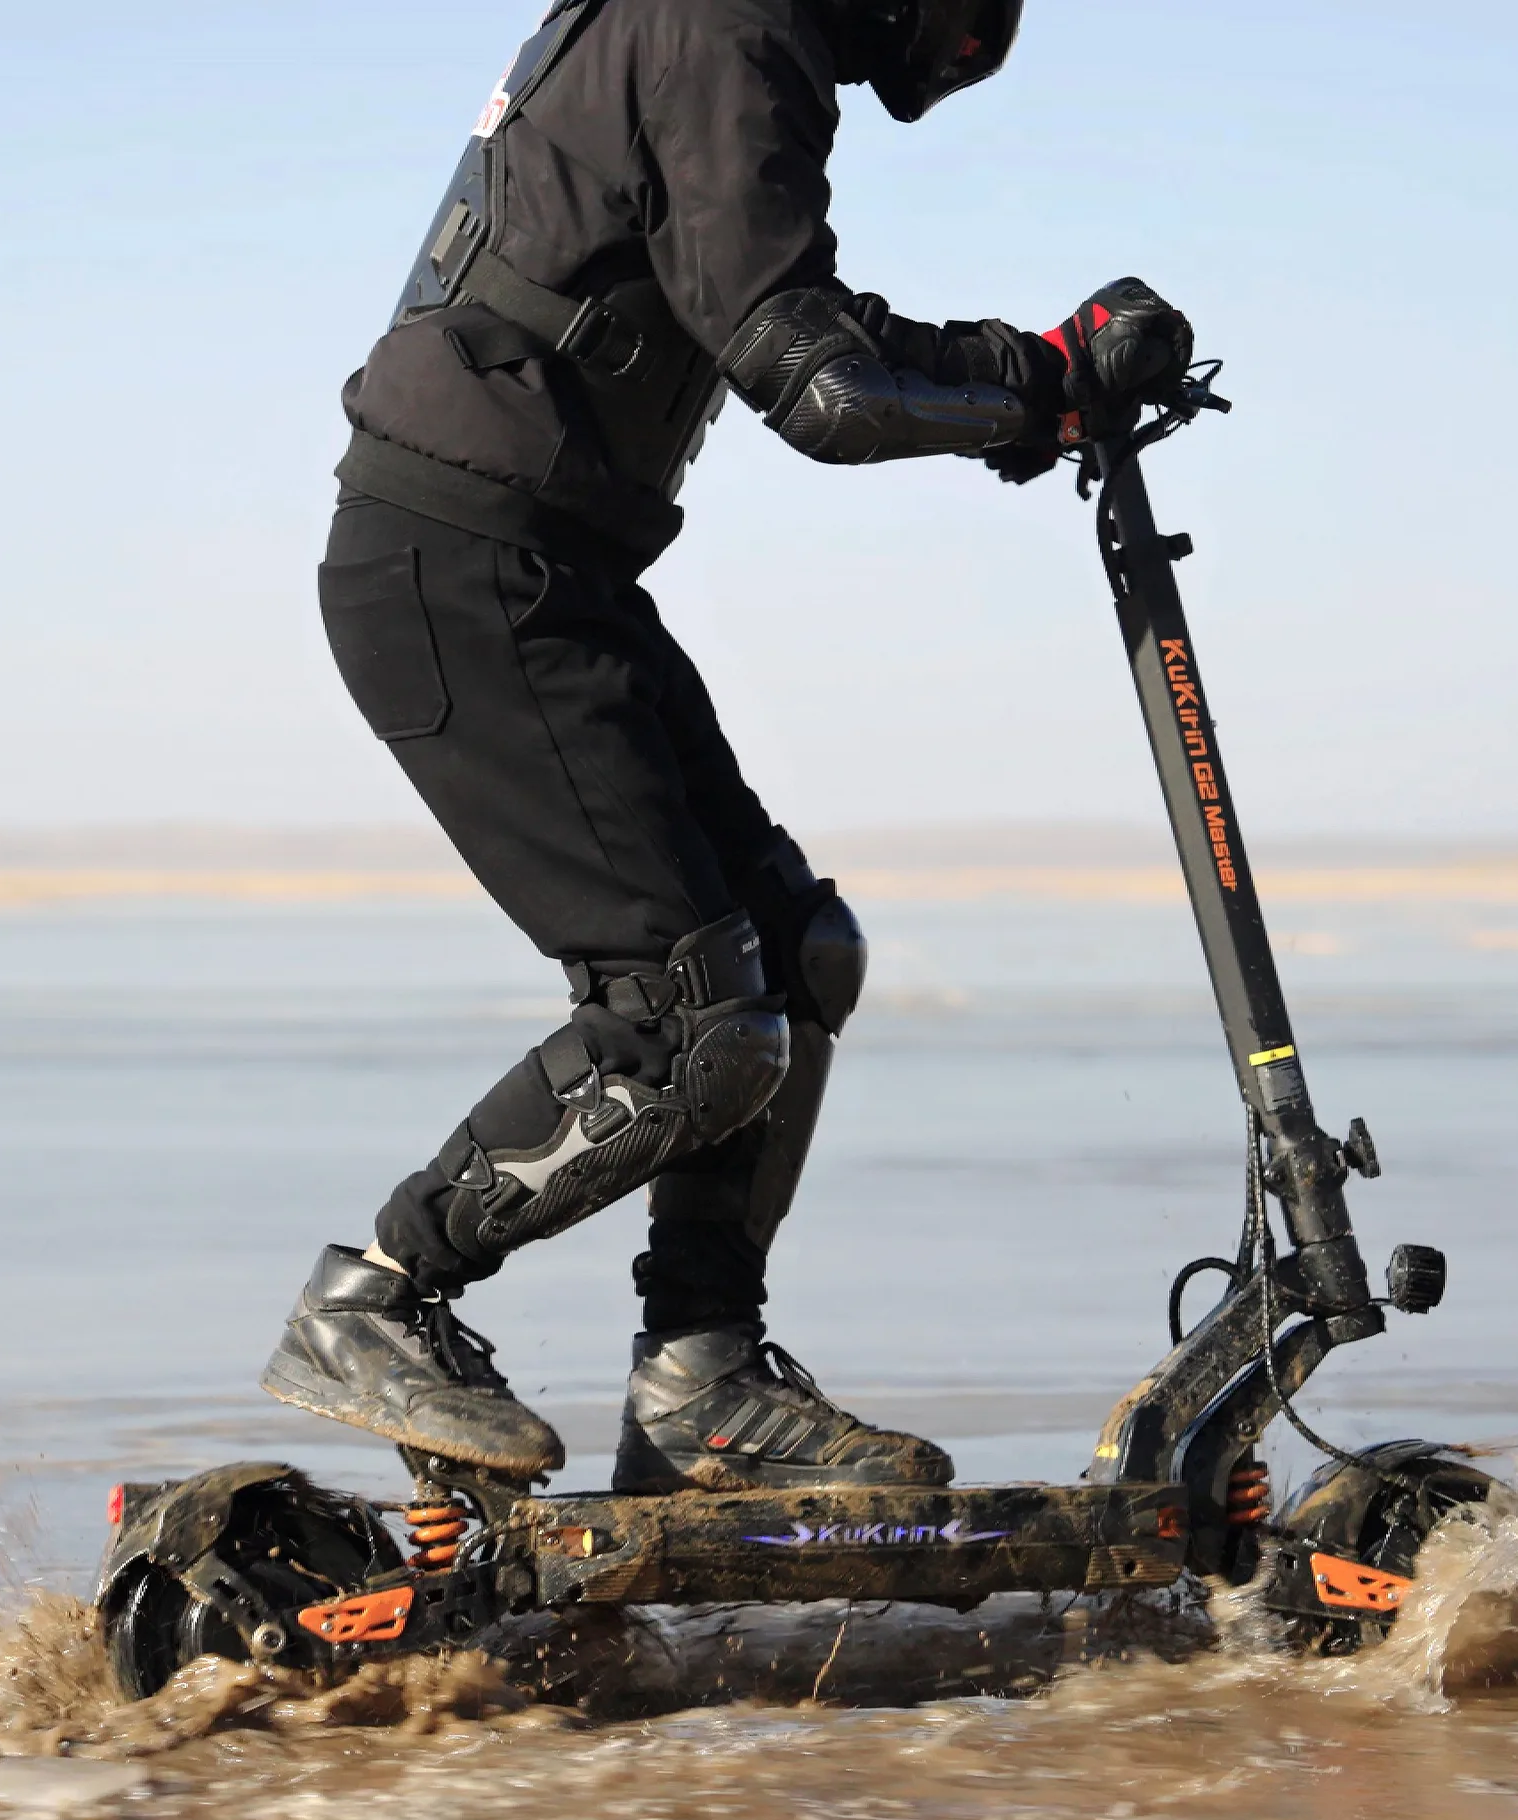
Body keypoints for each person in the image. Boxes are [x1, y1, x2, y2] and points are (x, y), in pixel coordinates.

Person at [263, 0, 1194, 1493]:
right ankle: (375, 1301)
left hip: (545, 572)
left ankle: (703, 1380)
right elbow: (826, 390)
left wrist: (1038, 380)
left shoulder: (715, 23)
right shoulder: (725, 22)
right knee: (687, 1022)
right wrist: (1035, 388)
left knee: (794, 953)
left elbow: (784, 317)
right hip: (464, 572)